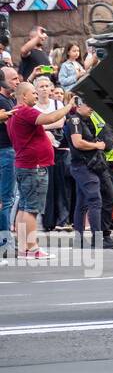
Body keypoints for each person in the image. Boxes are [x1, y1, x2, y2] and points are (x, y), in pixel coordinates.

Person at [7, 82, 75, 259]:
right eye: (33, 93)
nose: (37, 96)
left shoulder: (14, 113)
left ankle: (24, 249)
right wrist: (68, 106)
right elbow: (50, 119)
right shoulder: (25, 111)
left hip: (25, 165)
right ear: (23, 96)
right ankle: (32, 248)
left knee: (24, 207)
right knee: (31, 209)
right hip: (34, 167)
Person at [65, 98, 113, 249]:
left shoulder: (85, 120)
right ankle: (98, 239)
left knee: (82, 203)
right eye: (89, 105)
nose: (92, 108)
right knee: (95, 201)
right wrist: (97, 145)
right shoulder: (75, 120)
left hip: (88, 166)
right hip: (83, 166)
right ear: (79, 105)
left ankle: (79, 239)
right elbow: (78, 142)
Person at [34, 76, 72, 233]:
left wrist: (42, 125)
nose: (44, 88)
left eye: (46, 86)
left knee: (62, 184)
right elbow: (34, 126)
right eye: (41, 86)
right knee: (46, 186)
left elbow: (61, 122)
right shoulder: (34, 107)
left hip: (60, 149)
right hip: (42, 149)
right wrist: (46, 126)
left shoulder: (57, 103)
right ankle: (48, 221)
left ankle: (63, 220)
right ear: (35, 89)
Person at [0, 66, 19, 256]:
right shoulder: (2, 100)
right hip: (5, 152)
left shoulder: (9, 100)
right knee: (6, 200)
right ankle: (4, 244)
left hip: (7, 152)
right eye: (13, 78)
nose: (17, 81)